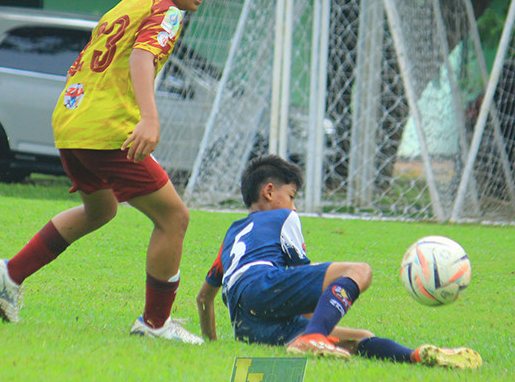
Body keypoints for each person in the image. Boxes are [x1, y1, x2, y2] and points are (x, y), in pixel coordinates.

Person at [0, 0, 215, 344]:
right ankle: (156, 322)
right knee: (174, 218)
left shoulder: (127, 5)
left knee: (100, 210)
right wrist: (149, 118)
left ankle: (10, 273)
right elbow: (142, 58)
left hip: (71, 122)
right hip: (108, 129)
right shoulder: (168, 11)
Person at [196, 155, 483, 368]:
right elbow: (305, 280)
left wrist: (212, 344)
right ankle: (314, 338)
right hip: (265, 285)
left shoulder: (231, 235)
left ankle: (416, 356)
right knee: (360, 271)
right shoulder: (284, 217)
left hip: (246, 325)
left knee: (359, 338)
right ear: (269, 192)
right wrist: (326, 314)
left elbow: (204, 298)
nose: (295, 206)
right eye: (292, 196)